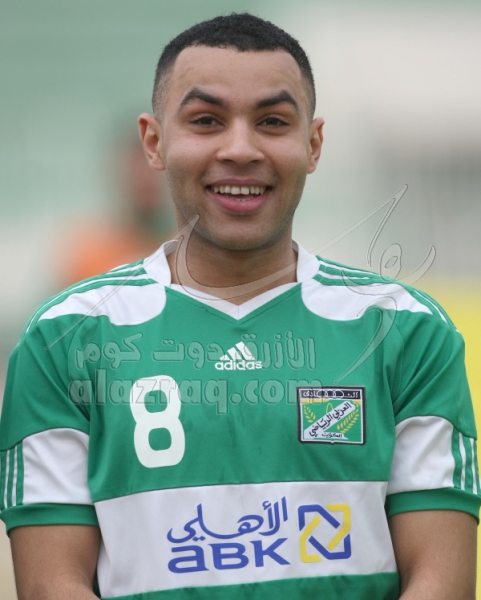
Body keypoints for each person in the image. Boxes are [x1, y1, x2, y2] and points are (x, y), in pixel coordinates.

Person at [0, 13, 478, 600]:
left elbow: (441, 579)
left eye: (272, 121)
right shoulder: (62, 340)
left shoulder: (406, 331)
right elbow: (51, 584)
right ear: (154, 141)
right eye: (206, 120)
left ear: (313, 144)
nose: (241, 149)